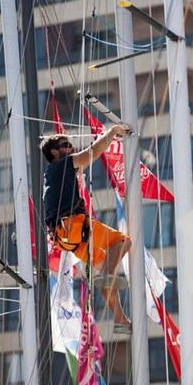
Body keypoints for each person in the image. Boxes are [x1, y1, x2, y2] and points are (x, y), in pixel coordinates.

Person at [41, 125, 132, 331]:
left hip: (64, 237)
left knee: (104, 266)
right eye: (66, 145)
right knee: (124, 241)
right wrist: (112, 131)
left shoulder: (52, 174)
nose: (72, 149)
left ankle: (120, 320)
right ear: (55, 152)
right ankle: (105, 277)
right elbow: (93, 152)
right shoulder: (63, 164)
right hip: (73, 226)